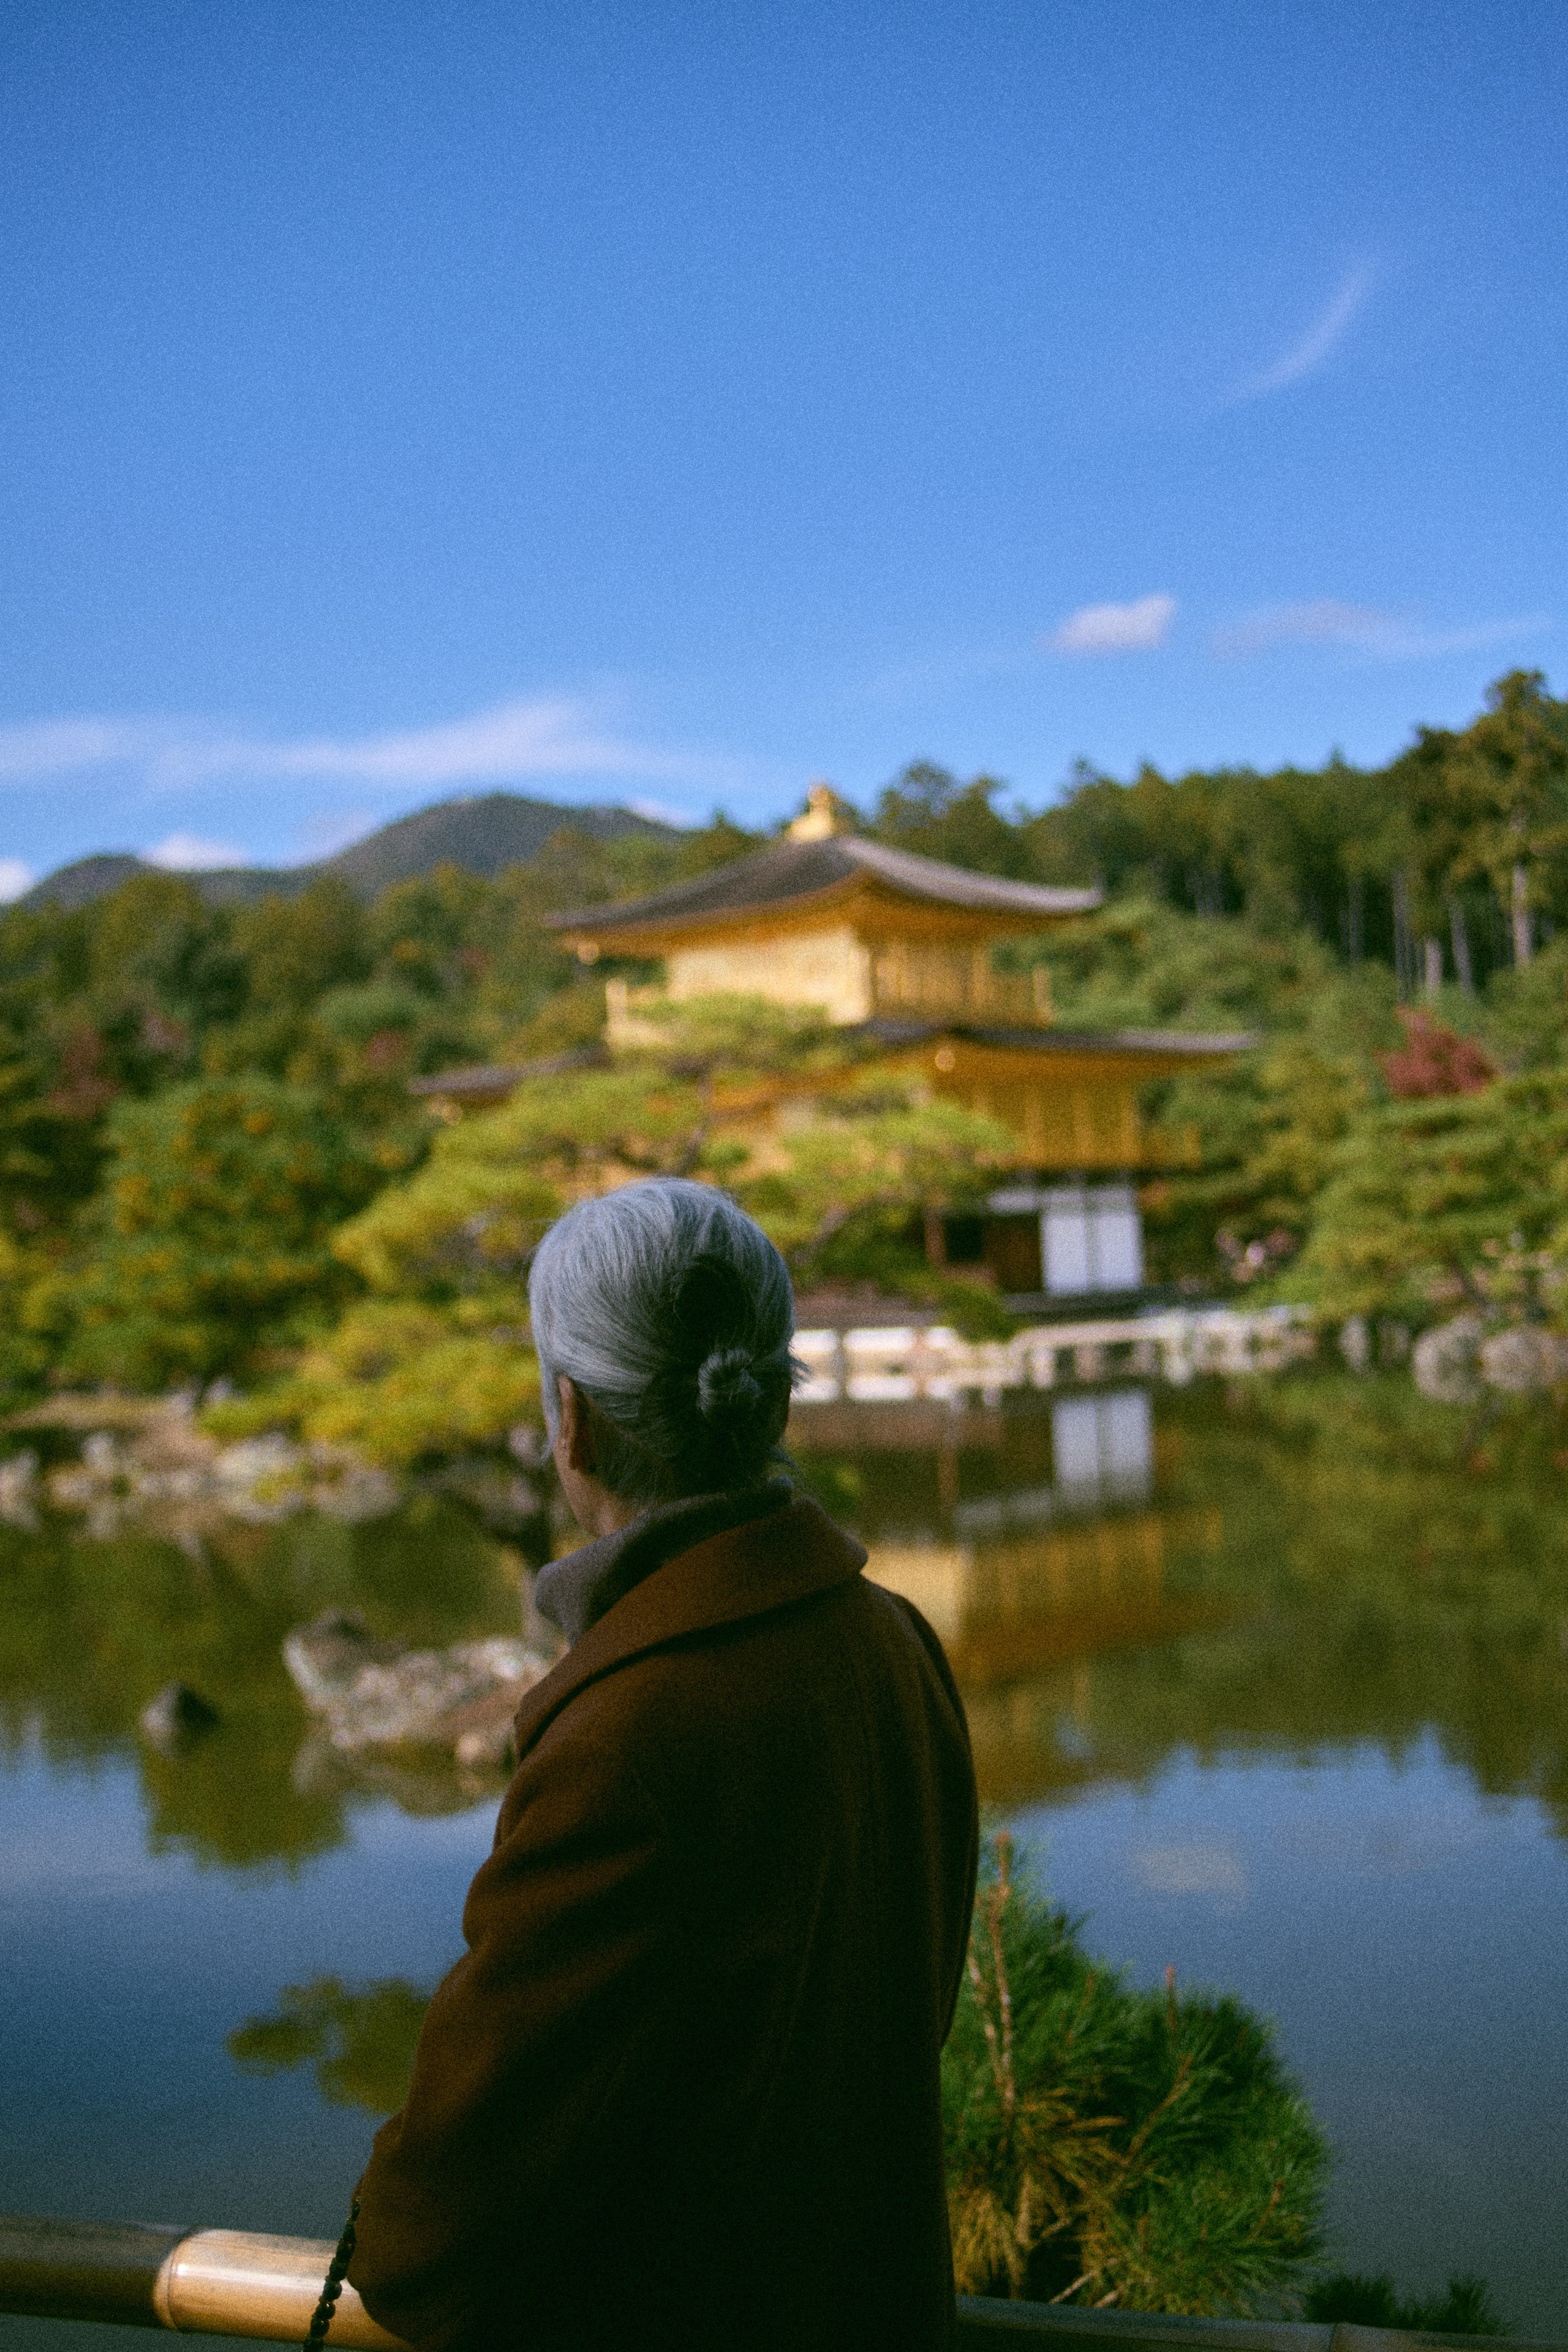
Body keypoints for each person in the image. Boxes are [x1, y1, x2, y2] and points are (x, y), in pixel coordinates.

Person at [348, 1177, 978, 2351]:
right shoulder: (895, 1643)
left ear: (572, 1419)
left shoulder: (626, 1738)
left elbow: (432, 2229)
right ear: (772, 1399)